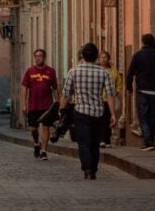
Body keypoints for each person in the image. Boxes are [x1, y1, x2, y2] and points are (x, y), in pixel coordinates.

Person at [60, 42, 115, 180]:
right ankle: (94, 169)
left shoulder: (74, 71)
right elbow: (110, 95)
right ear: (96, 56)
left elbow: (66, 94)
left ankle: (87, 168)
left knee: (83, 142)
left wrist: (61, 111)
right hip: (98, 113)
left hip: (81, 112)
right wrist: (113, 114)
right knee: (95, 143)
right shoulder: (104, 72)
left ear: (82, 56)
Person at [21, 48, 58, 160]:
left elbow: (55, 88)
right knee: (33, 129)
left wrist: (58, 103)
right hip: (33, 104)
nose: (38, 58)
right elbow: (24, 88)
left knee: (46, 127)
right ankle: (36, 143)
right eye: (36, 56)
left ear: (44, 57)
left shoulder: (51, 71)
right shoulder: (30, 71)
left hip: (47, 105)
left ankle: (43, 151)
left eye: (40, 56)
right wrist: (23, 103)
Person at [126, 33, 155, 151]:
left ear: (143, 42)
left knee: (143, 116)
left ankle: (148, 141)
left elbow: (130, 73)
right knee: (153, 117)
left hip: (142, 90)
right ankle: (151, 139)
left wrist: (129, 87)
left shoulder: (138, 55)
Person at [98, 50, 122, 147]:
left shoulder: (113, 71)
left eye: (105, 57)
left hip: (110, 100)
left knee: (108, 119)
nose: (103, 59)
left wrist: (116, 92)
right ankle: (102, 139)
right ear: (99, 59)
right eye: (101, 57)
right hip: (99, 99)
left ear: (108, 59)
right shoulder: (97, 70)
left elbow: (119, 83)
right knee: (101, 120)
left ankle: (106, 140)